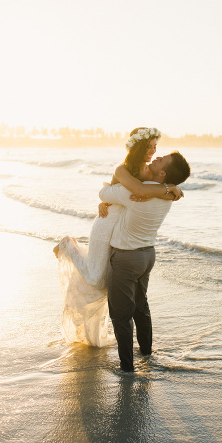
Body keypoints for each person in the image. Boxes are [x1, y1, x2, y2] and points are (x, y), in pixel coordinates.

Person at [54, 127, 183, 347]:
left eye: (155, 147)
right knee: (96, 279)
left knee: (106, 283)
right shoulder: (122, 169)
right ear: (138, 146)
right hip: (106, 224)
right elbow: (139, 191)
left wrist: (172, 187)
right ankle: (68, 245)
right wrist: (168, 189)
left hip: (122, 229)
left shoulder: (151, 172)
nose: (153, 152)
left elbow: (157, 184)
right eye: (149, 147)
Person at [99, 150, 191, 372]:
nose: (156, 157)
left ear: (162, 173)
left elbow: (104, 193)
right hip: (147, 255)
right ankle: (147, 352)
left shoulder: (131, 193)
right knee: (141, 305)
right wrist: (172, 189)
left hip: (125, 257)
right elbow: (170, 190)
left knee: (121, 315)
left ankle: (127, 368)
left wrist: (120, 173)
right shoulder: (166, 196)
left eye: (161, 160)